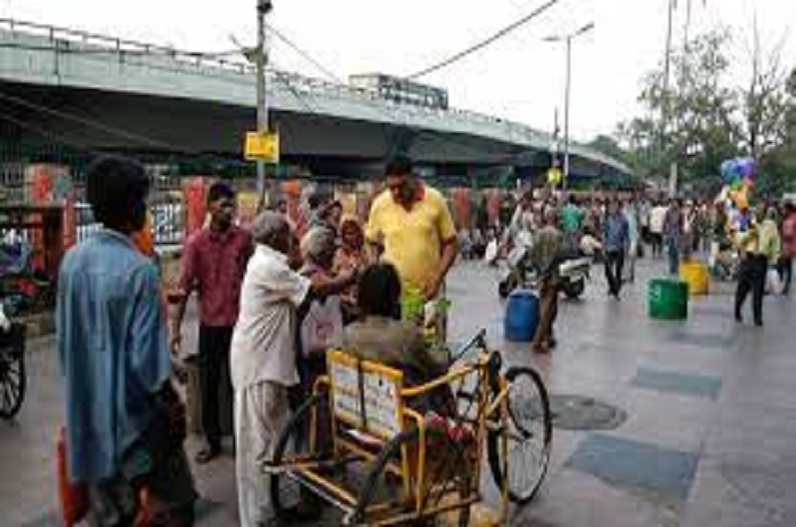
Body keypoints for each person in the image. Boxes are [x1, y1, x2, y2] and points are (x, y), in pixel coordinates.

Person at [58, 155, 196, 525]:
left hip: (85, 418)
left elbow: (68, 345)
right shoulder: (139, 270)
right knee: (178, 505)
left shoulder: (72, 261)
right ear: (129, 206)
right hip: (133, 428)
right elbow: (147, 366)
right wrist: (173, 406)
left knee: (108, 514)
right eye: (142, 201)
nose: (147, 209)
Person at [229, 212, 314, 527]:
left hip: (266, 364)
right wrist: (348, 279)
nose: (292, 241)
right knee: (258, 444)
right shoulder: (268, 266)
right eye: (289, 236)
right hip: (258, 366)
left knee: (276, 438)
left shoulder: (269, 263)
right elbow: (312, 290)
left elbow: (296, 277)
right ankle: (258, 517)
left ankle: (277, 506)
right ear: (277, 237)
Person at [170, 182, 254, 464]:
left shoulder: (243, 239)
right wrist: (174, 330)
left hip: (239, 325)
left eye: (231, 204)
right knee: (208, 385)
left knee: (239, 384)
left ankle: (243, 440)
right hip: (210, 326)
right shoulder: (196, 243)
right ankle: (213, 442)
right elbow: (183, 288)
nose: (228, 209)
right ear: (210, 207)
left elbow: (254, 277)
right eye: (222, 204)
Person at [365, 155, 458, 304]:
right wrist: (375, 270)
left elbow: (451, 244)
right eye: (391, 187)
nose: (396, 192)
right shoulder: (380, 204)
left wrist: (438, 277)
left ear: (413, 178)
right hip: (395, 296)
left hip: (433, 292)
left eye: (401, 186)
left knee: (436, 326)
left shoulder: (436, 199)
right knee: (399, 327)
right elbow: (370, 241)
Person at [734, 206, 781, 326]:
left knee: (758, 291)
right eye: (756, 212)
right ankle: (737, 309)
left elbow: (775, 242)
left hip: (761, 260)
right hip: (748, 259)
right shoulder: (748, 223)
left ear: (765, 214)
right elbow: (738, 240)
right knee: (742, 288)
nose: (758, 215)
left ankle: (757, 318)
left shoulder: (771, 225)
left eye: (761, 213)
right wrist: (749, 234)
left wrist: (774, 260)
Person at [529, 210, 563, 353]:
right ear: (555, 219)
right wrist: (547, 270)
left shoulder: (539, 233)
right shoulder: (558, 235)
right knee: (547, 309)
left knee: (552, 307)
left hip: (542, 276)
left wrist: (539, 271)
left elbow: (533, 254)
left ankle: (548, 337)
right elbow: (558, 256)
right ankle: (537, 341)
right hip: (552, 277)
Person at [602, 199, 630, 299]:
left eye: (615, 206)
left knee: (618, 271)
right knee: (607, 271)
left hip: (619, 248)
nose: (612, 208)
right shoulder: (607, 219)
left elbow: (627, 236)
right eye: (611, 207)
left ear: (619, 208)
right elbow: (604, 233)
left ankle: (616, 290)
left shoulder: (624, 220)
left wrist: (626, 248)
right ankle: (613, 286)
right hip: (609, 248)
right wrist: (603, 246)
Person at [779, 202, 796, 294]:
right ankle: (786, 286)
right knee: (787, 266)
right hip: (787, 246)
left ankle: (786, 286)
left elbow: (788, 234)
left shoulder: (792, 218)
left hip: (790, 246)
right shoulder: (787, 218)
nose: (783, 211)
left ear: (788, 209)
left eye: (784, 209)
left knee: (785, 265)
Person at [663, 199, 684, 275]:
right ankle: (672, 267)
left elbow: (681, 224)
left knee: (676, 251)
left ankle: (676, 267)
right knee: (670, 251)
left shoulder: (680, 213)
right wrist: (665, 232)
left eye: (676, 203)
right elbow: (665, 222)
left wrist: (681, 235)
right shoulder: (668, 212)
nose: (674, 204)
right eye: (673, 203)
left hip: (677, 234)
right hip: (670, 233)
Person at [623, 199, 640, 283]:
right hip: (625, 238)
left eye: (630, 204)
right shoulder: (623, 213)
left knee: (632, 257)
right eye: (627, 204)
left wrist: (639, 236)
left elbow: (639, 224)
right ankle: (626, 275)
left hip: (634, 237)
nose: (628, 205)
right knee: (625, 257)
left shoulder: (635, 212)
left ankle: (631, 275)